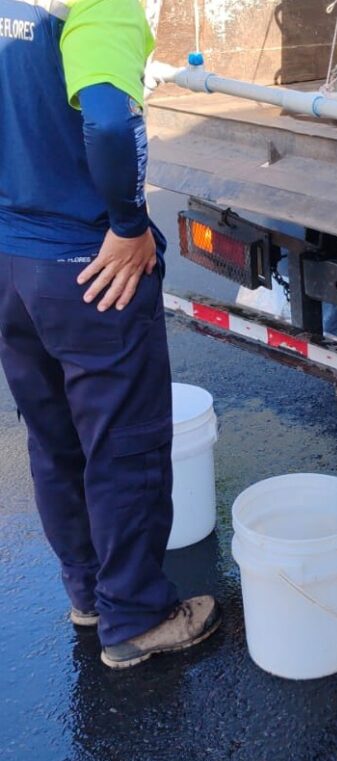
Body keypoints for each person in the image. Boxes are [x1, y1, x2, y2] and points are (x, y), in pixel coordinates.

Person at [0, 0, 220, 669]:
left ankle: (91, 596)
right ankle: (137, 618)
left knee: (54, 437)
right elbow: (107, 118)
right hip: (88, 270)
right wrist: (127, 225)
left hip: (10, 264)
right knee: (124, 447)